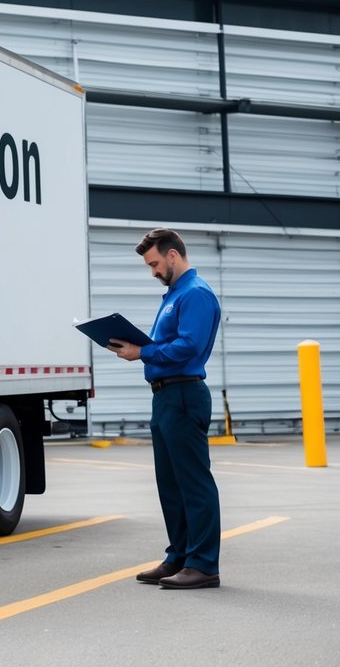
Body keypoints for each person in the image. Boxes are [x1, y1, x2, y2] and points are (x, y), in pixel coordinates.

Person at [107, 228, 223, 590]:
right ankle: (179, 557)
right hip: (165, 396)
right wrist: (140, 348)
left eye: (155, 263)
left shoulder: (196, 294)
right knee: (170, 484)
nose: (152, 271)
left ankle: (203, 565)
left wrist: (142, 351)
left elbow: (189, 346)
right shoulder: (174, 295)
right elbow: (170, 345)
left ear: (173, 255)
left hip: (184, 394)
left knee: (193, 482)